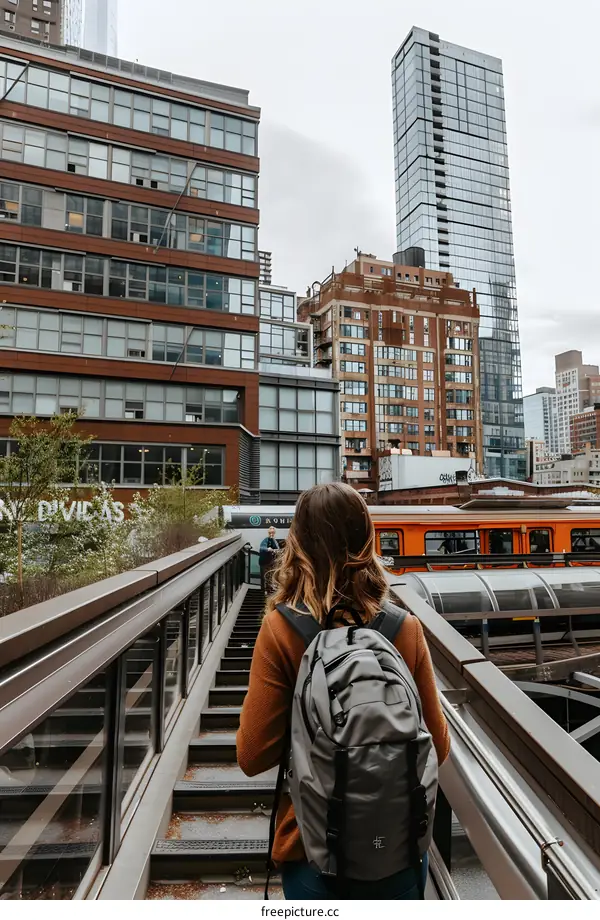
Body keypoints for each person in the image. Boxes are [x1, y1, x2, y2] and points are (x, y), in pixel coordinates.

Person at [237, 483, 450, 900]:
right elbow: (437, 748)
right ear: (368, 540)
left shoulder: (281, 630)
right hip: (398, 848)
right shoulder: (403, 628)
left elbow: (251, 756)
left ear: (296, 543)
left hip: (312, 850)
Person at [259, 526, 279, 594]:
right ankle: (266, 590)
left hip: (272, 562)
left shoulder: (274, 541)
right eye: (270, 533)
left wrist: (275, 551)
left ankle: (270, 589)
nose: (271, 534)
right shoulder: (266, 540)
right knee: (266, 576)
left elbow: (277, 549)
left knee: (271, 576)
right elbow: (262, 548)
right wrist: (268, 549)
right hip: (265, 562)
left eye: (273, 533)